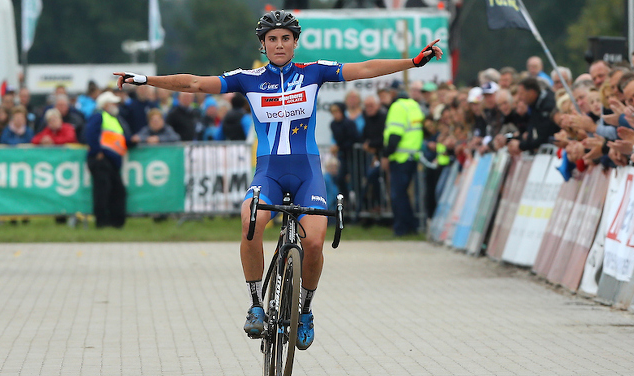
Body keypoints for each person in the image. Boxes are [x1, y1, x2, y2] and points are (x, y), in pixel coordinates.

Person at [115, 9, 442, 350]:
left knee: (314, 243)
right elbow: (196, 83)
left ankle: (306, 309)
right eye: (272, 39)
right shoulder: (248, 78)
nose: (279, 44)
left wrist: (413, 62)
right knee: (249, 222)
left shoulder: (314, 72)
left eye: (286, 38)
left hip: (307, 171)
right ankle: (256, 303)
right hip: (269, 171)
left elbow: (363, 69)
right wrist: (145, 80)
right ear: (263, 45)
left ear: (295, 42)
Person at [84, 91, 130, 228]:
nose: (116, 105)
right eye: (113, 103)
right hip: (101, 160)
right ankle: (102, 222)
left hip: (112, 161)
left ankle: (116, 222)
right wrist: (97, 152)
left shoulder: (113, 118)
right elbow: (90, 134)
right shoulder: (99, 116)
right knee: (102, 193)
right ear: (105, 105)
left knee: (117, 192)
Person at [383, 92, 424, 236]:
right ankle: (412, 226)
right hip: (412, 156)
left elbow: (395, 136)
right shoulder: (414, 105)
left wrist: (385, 155)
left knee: (397, 195)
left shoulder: (397, 107)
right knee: (403, 195)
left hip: (400, 157)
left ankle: (401, 228)